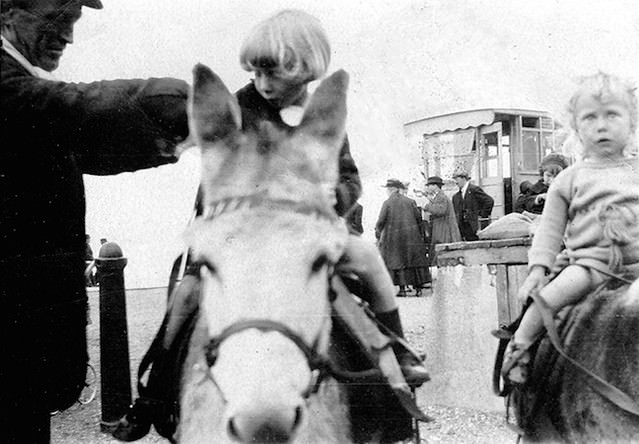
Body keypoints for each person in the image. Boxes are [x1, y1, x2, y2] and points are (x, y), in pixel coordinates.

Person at [114, 10, 428, 441]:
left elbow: (349, 176)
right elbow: (216, 173)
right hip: (241, 233)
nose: (262, 82)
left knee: (370, 261)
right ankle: (155, 394)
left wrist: (329, 198)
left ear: (304, 69)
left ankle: (395, 364)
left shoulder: (316, 115)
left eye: (273, 72)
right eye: (256, 72)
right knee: (186, 295)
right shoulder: (240, 107)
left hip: (304, 229)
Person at [0, 1, 190, 442]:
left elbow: (84, 147)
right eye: (58, 20)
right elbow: (67, 110)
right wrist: (184, 106)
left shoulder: (23, 90)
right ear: (7, 11)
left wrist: (177, 139)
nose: (68, 37)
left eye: (72, 24)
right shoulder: (16, 91)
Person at [502, 71, 639, 385]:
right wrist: (538, 271)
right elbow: (549, 233)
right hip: (591, 266)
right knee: (545, 301)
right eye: (590, 118)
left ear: (631, 123)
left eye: (612, 115)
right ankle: (519, 347)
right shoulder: (568, 179)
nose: (601, 125)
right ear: (576, 128)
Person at [376, 179, 432, 297]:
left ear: (392, 189)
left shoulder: (387, 203)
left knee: (398, 263)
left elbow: (381, 220)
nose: (387, 191)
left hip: (394, 239)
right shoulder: (410, 201)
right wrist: (419, 234)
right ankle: (418, 289)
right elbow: (418, 219)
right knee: (413, 261)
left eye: (388, 189)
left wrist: (378, 232)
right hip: (411, 237)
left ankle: (402, 290)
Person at [421, 176, 461, 265]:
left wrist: (426, 206)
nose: (427, 188)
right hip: (441, 229)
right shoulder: (439, 196)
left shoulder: (441, 196)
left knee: (442, 253)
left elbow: (441, 210)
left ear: (435, 186)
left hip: (443, 230)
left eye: (429, 185)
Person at [452, 170, 495, 241]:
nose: (455, 182)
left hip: (475, 227)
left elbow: (489, 201)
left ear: (464, 178)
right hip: (464, 229)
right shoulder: (456, 196)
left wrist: (481, 215)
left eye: (457, 179)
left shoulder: (474, 190)